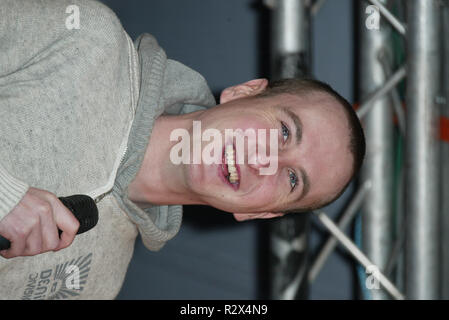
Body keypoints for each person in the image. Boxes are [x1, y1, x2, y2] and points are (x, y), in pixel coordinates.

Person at [0, 0, 365, 299]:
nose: (264, 160)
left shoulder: (98, 285)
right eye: (284, 131)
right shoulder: (87, 38)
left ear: (260, 213)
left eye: (291, 179)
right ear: (244, 91)